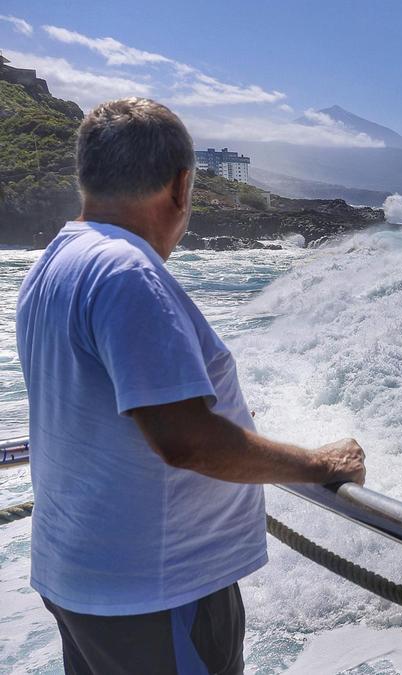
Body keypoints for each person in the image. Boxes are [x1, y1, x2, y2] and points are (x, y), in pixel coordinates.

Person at [15, 97, 367, 674]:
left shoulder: (53, 263)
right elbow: (187, 440)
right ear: (181, 187)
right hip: (154, 595)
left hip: (86, 579)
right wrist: (318, 463)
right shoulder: (127, 274)